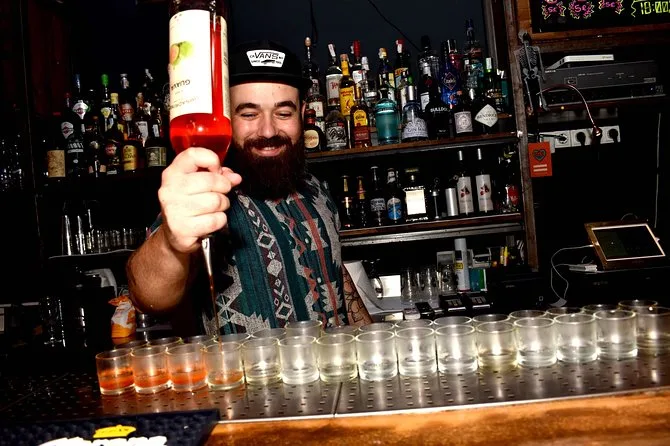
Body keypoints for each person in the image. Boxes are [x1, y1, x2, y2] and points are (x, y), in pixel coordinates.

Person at [126, 40, 372, 334]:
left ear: (302, 113)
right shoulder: (208, 194)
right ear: (226, 117)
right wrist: (170, 243)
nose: (268, 130)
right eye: (249, 114)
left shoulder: (316, 189)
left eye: (283, 113)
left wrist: (372, 341)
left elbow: (335, 275)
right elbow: (149, 296)